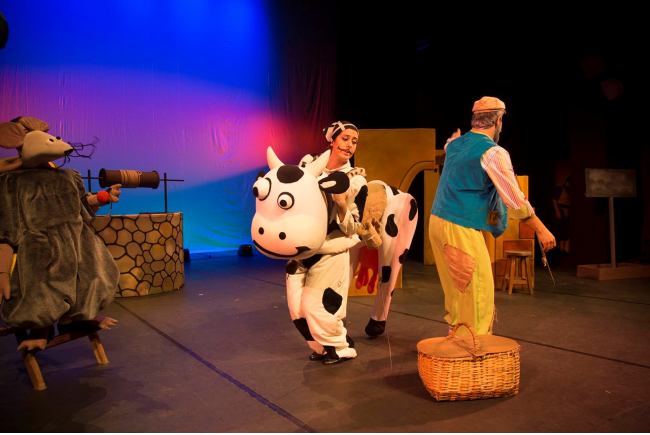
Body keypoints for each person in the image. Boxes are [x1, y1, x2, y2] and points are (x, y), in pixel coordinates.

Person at [429, 97, 556, 337]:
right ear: (498, 121)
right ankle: (474, 345)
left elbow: (448, 144)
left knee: (457, 288)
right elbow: (515, 200)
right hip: (460, 225)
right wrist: (541, 229)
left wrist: (454, 138)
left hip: (437, 222)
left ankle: (456, 336)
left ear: (475, 120)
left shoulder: (456, 145)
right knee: (478, 289)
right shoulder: (493, 152)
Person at [286, 120, 367, 365]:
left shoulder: (356, 181)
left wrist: (341, 204)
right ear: (332, 140)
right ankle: (321, 347)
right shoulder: (307, 165)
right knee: (296, 307)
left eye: (354, 141)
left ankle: (340, 348)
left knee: (318, 305)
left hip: (330, 251)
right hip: (301, 250)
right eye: (345, 138)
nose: (350, 145)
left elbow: (354, 228)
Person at [553, 176, 571, 254]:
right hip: (560, 210)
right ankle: (558, 249)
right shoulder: (560, 189)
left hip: (567, 211)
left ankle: (562, 249)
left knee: (565, 231)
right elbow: (554, 200)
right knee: (559, 230)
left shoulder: (570, 191)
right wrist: (557, 211)